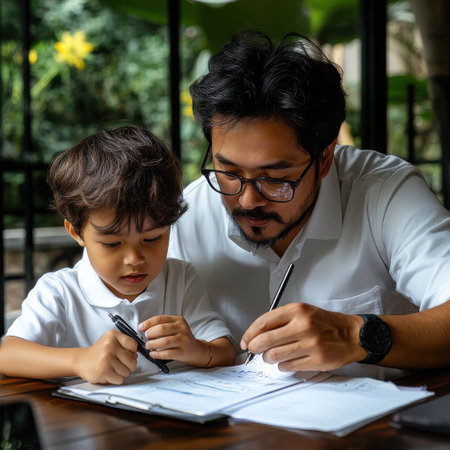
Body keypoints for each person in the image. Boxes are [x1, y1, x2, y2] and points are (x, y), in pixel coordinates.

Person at [168, 30, 450, 376]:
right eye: (229, 171)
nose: (247, 199)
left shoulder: (384, 193)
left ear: (325, 158)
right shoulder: (187, 215)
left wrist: (354, 335)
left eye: (274, 178)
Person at [0, 126, 235, 385]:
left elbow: (224, 351)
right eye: (112, 244)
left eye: (152, 239)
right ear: (76, 231)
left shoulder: (180, 278)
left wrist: (197, 350)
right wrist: (80, 361)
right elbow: (7, 355)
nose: (134, 258)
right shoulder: (59, 292)